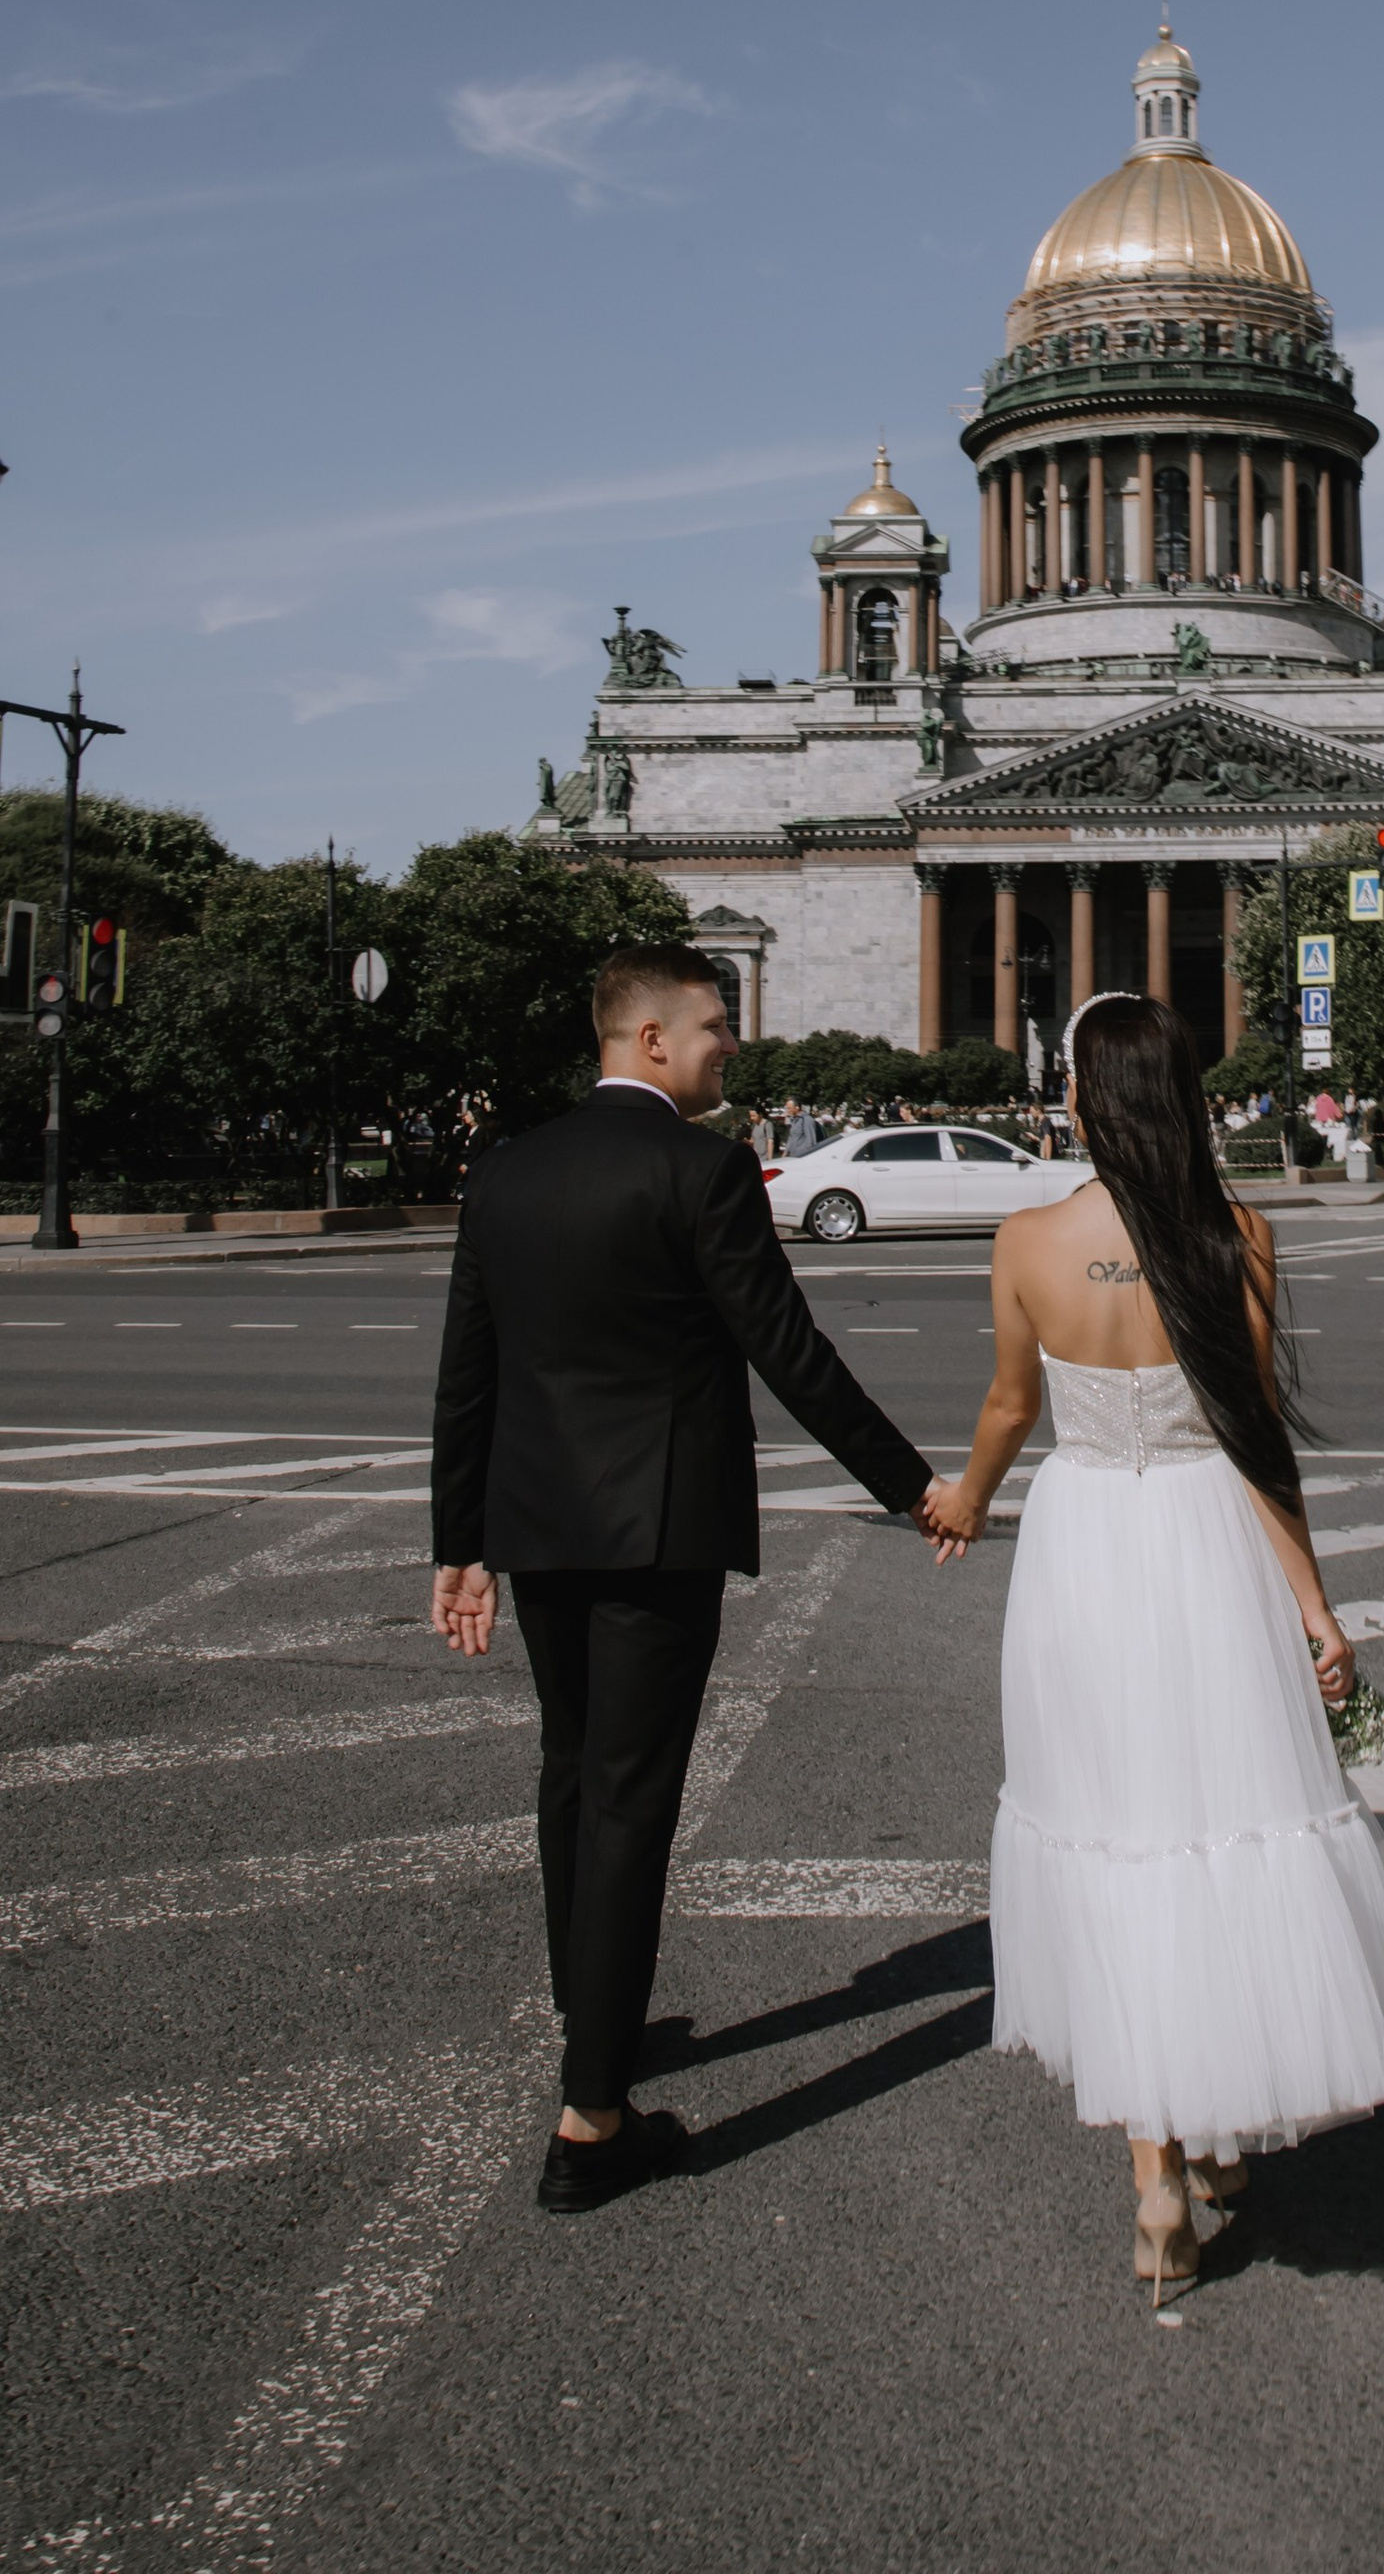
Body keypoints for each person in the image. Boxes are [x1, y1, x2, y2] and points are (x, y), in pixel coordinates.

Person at [429, 942, 964, 2215]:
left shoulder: (507, 1170)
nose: (735, 1043)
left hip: (536, 1523)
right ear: (652, 1041)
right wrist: (911, 1485)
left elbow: (467, 1375)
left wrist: (458, 1547)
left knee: (572, 1774)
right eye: (716, 1025)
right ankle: (592, 2121)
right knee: (629, 1802)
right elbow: (790, 1353)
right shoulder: (702, 1169)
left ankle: (591, 2021)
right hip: (657, 1531)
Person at [932, 992, 1384, 2303]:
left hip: (1086, 1549)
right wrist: (1314, 1607)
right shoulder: (1241, 1236)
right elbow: (1257, 1437)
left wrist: (970, 1497)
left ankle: (1157, 2175)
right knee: (1214, 1834)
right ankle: (1210, 2142)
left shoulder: (1031, 1240)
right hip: (1209, 1548)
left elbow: (1006, 1404)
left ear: (1083, 1105)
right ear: (1188, 1102)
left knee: (1113, 1837)